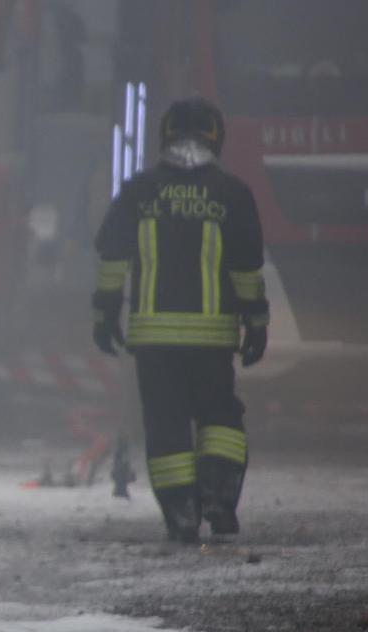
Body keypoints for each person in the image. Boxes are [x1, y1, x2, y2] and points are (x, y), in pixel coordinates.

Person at [91, 96, 268, 543]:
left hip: (154, 342)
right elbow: (246, 268)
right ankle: (218, 497)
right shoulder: (232, 194)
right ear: (217, 136)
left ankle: (181, 515)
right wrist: (257, 323)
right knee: (219, 416)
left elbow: (111, 258)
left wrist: (105, 315)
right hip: (212, 341)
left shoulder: (138, 192)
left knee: (166, 424)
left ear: (164, 135)